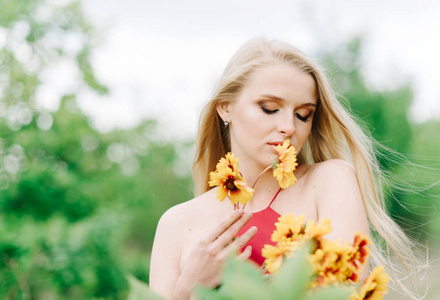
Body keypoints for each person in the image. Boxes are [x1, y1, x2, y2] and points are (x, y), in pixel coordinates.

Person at [149, 37, 421, 300]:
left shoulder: (329, 182)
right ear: (225, 107)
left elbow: (347, 294)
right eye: (269, 108)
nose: (289, 127)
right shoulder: (176, 224)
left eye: (304, 114)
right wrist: (187, 291)